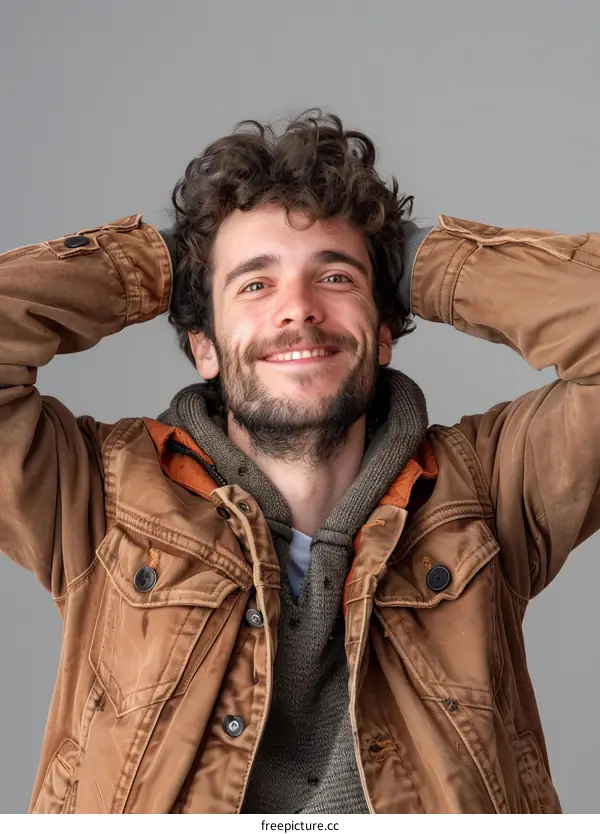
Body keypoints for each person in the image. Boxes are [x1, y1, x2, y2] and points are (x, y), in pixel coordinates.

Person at [0, 109, 597, 815]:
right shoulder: (100, 495)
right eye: (254, 285)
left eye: (336, 277)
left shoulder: (489, 489)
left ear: (383, 332)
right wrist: (155, 266)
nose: (299, 310)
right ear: (205, 348)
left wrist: (425, 260)